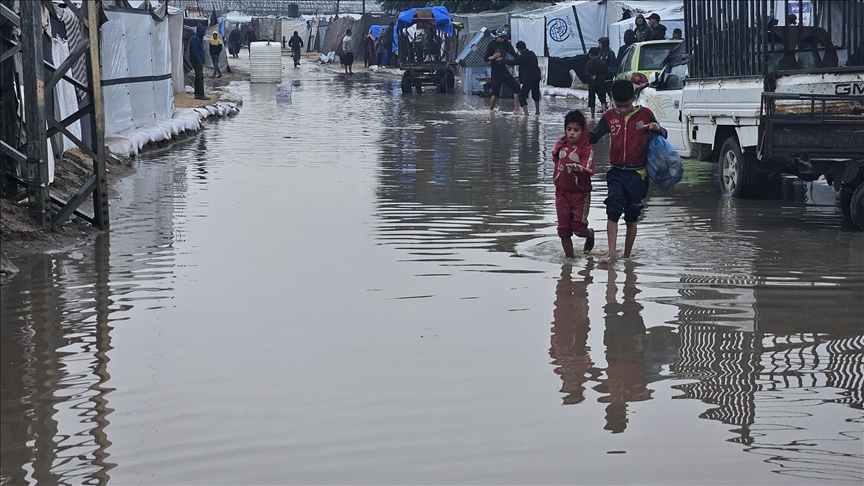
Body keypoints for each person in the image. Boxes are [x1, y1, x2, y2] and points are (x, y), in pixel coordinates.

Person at [589, 80, 667, 262]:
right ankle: (611, 253)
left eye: (626, 105)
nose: (623, 110)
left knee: (632, 217)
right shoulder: (609, 116)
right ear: (613, 101)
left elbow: (664, 135)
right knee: (613, 209)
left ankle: (626, 257)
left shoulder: (646, 115)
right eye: (619, 106)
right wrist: (575, 133)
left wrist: (657, 129)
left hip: (638, 175)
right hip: (615, 172)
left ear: (634, 98)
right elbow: (594, 136)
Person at [553, 110, 596, 257]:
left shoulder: (587, 149)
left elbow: (588, 167)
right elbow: (555, 159)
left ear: (583, 131)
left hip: (580, 194)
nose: (572, 133)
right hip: (561, 193)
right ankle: (569, 261)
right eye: (569, 129)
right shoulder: (560, 145)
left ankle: (589, 234)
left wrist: (579, 169)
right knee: (563, 230)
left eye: (576, 130)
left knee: (578, 228)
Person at [485, 30, 521, 114]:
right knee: (495, 93)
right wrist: (493, 57)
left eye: (503, 37)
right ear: (496, 37)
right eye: (501, 37)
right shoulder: (491, 45)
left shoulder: (505, 43)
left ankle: (516, 109)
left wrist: (520, 59)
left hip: (503, 69)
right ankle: (490, 110)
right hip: (495, 70)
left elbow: (513, 53)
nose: (502, 39)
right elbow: (485, 58)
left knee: (516, 87)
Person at [503, 40, 542, 116]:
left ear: (519, 49)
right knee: (536, 94)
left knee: (522, 95)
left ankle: (526, 114)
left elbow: (512, 62)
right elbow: (519, 59)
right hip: (536, 76)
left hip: (529, 78)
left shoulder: (523, 57)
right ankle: (537, 112)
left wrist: (503, 60)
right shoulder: (532, 53)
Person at [188, 24, 210, 100]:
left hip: (199, 60)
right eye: (204, 31)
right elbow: (195, 51)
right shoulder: (195, 39)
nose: (205, 33)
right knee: (200, 78)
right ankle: (201, 94)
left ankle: (197, 94)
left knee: (198, 77)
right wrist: (199, 61)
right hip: (197, 61)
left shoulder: (199, 39)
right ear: (201, 31)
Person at [585, 47, 608, 118]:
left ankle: (592, 116)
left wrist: (592, 76)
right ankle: (605, 113)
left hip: (592, 84)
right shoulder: (602, 63)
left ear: (590, 54)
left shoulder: (588, 63)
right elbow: (605, 73)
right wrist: (598, 77)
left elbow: (586, 73)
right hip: (601, 83)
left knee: (592, 100)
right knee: (603, 99)